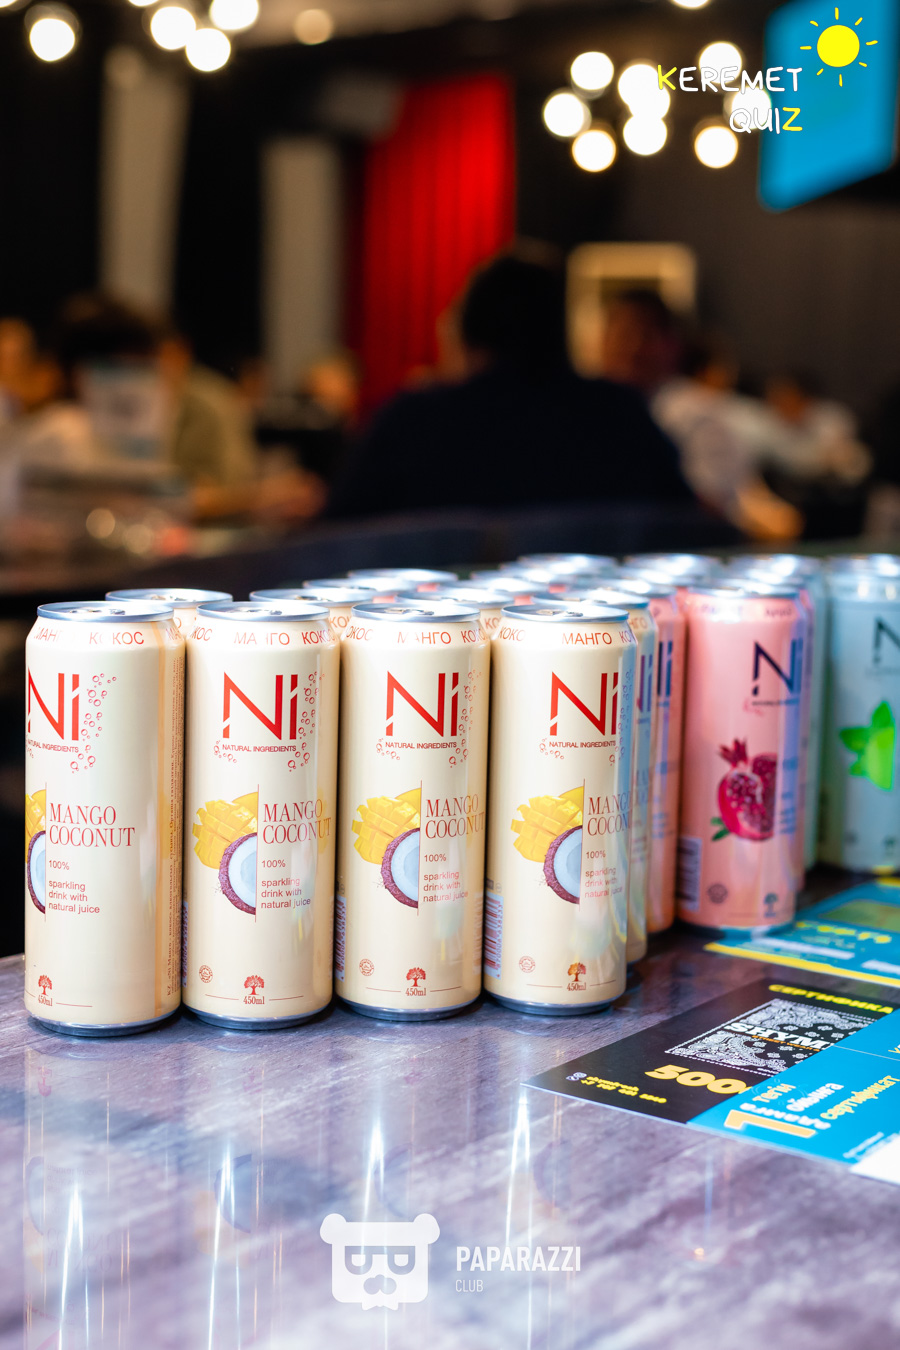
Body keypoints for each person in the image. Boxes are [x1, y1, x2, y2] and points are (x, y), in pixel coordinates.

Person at [329, 249, 693, 518]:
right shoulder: (619, 414)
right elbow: (685, 525)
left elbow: (335, 539)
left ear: (467, 335)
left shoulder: (411, 422)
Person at [601, 293, 803, 542]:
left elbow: (711, 505)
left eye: (644, 335)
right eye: (619, 334)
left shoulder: (697, 412)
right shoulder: (590, 408)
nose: (630, 347)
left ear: (672, 345)